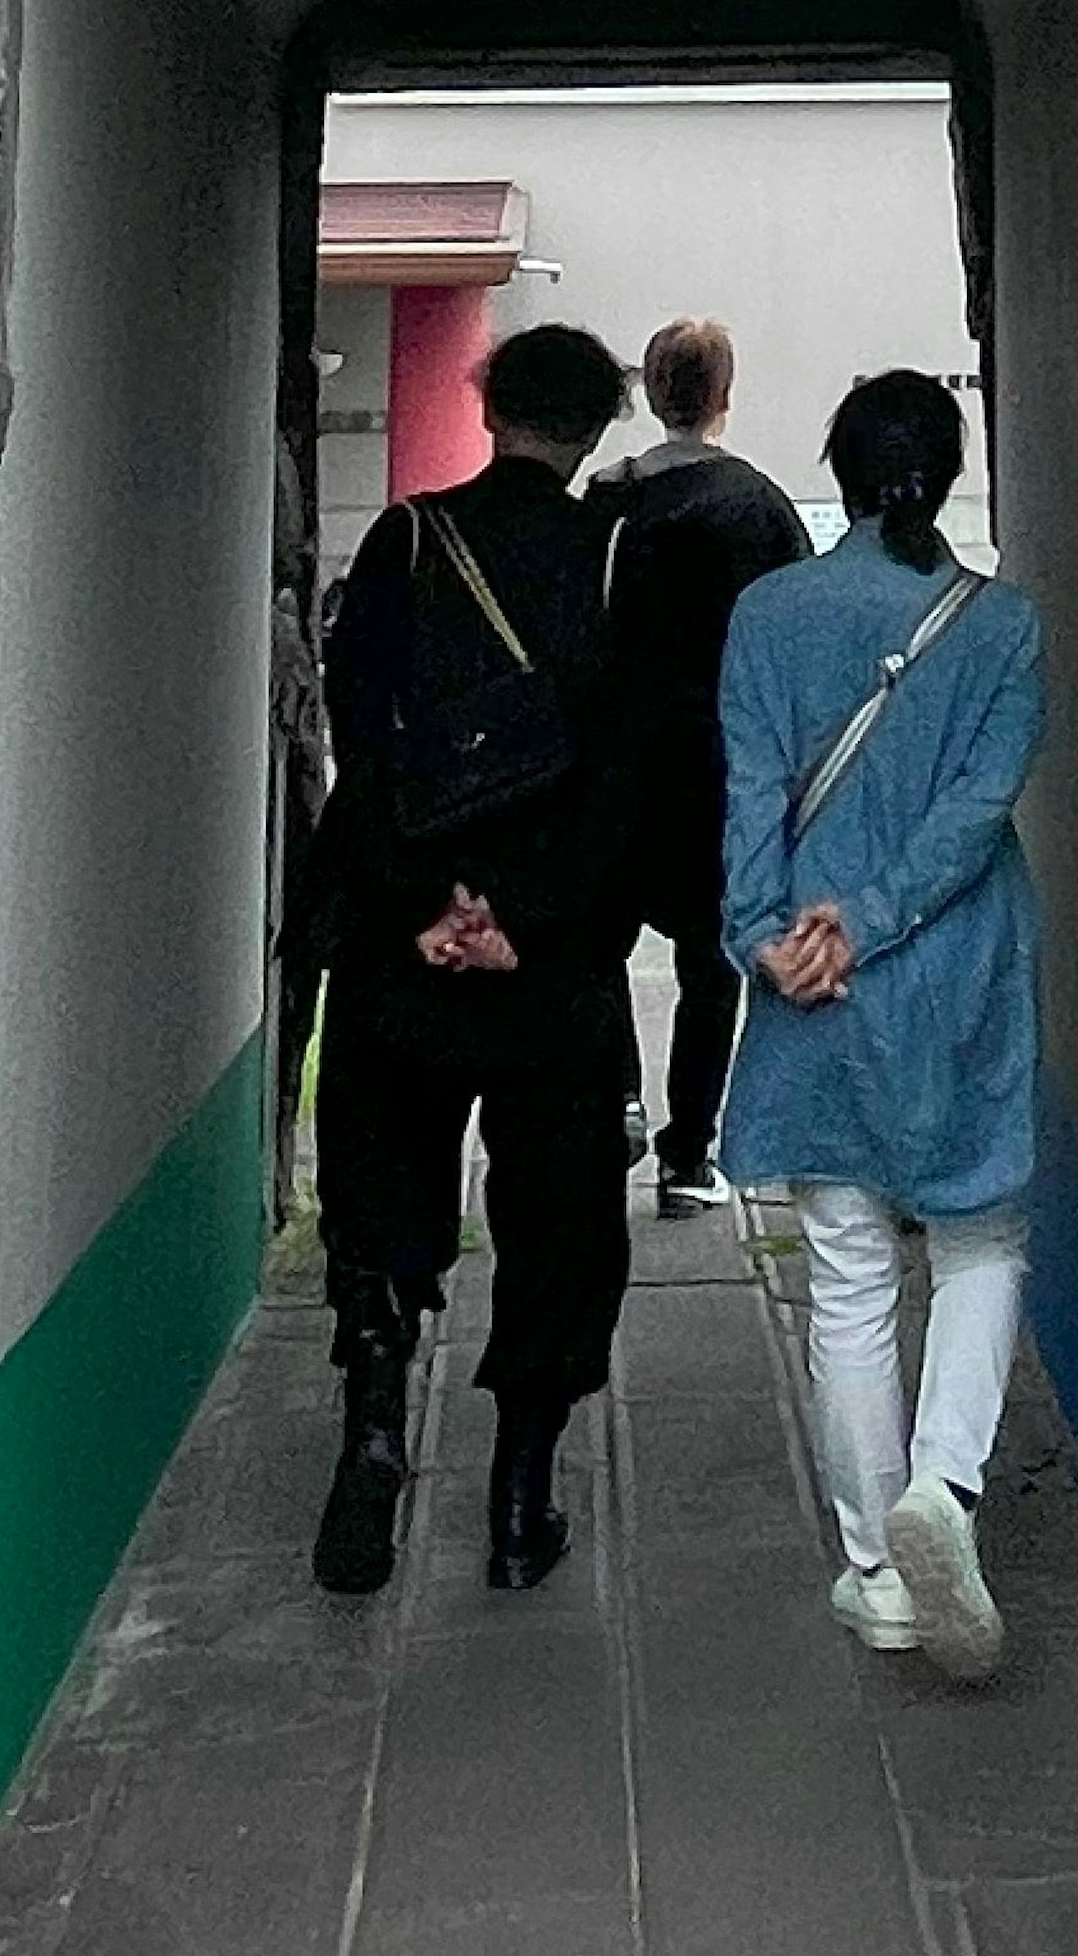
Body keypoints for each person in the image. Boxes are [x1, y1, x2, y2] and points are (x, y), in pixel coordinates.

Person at [717, 371, 1043, 1683]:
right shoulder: (1004, 627)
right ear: (953, 472)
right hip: (958, 968)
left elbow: (747, 794)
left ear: (839, 473)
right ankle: (943, 1495)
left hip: (813, 980)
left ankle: (874, 1570)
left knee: (847, 1272)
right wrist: (880, 914)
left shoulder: (769, 613)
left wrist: (769, 931)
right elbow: (977, 810)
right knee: (980, 1238)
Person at [306, 318, 636, 1603]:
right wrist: (533, 915)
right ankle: (519, 1496)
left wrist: (420, 904)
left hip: (406, 953)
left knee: (383, 1186)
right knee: (559, 1220)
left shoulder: (404, 541)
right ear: (600, 424)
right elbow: (632, 775)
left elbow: (359, 729)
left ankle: (377, 1423)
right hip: (551, 971)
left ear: (487, 404)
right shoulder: (620, 562)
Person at [596, 316, 812, 1210]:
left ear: (649, 393)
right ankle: (691, 1156)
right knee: (708, 964)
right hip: (722, 766)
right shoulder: (758, 505)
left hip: (615, 759)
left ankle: (619, 1101)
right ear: (724, 395)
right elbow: (799, 639)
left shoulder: (606, 501)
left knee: (601, 945)